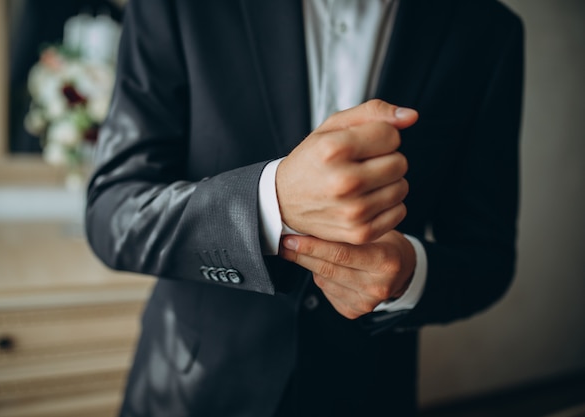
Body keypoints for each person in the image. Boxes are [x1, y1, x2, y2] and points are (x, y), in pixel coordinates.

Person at [85, 0, 524, 415]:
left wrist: (409, 274)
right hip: (193, 390)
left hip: (367, 393)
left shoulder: (488, 30)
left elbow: (487, 258)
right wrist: (271, 201)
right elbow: (113, 210)